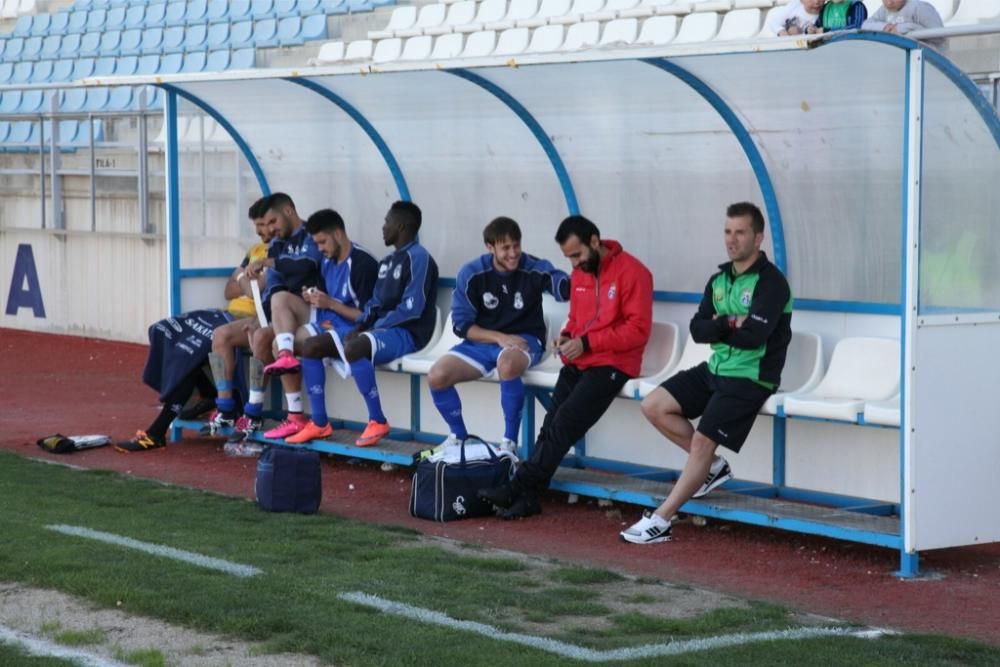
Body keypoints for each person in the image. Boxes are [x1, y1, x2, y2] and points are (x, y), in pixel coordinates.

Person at [620, 203, 792, 545]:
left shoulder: (771, 283)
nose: (732, 240)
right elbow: (698, 330)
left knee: (701, 440)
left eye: (740, 232)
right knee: (654, 405)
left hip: (751, 377)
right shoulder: (719, 279)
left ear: (758, 237)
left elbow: (754, 337)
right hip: (716, 369)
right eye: (727, 232)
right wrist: (729, 322)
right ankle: (712, 467)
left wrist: (719, 326)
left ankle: (662, 519)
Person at [478, 215, 653, 519]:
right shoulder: (581, 274)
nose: (573, 264)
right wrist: (569, 335)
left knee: (564, 423)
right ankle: (529, 498)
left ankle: (517, 486)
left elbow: (638, 331)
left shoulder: (634, 273)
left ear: (595, 242)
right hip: (581, 361)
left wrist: (587, 343)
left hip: (615, 364)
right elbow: (577, 319)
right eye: (568, 257)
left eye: (577, 255)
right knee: (551, 426)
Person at [116, 196, 274, 452]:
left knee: (193, 349)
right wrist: (248, 281)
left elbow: (259, 289)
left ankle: (160, 429)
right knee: (166, 330)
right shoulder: (255, 251)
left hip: (249, 319)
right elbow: (229, 289)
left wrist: (245, 282)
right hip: (226, 313)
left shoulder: (278, 255)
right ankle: (209, 394)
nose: (264, 233)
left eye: (267, 225)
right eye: (259, 228)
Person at [428, 216, 569, 452]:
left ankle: (508, 445)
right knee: (437, 375)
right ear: (490, 247)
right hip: (483, 342)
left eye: (516, 245)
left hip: (525, 339)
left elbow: (561, 286)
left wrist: (578, 279)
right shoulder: (472, 273)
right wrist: (499, 337)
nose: (513, 253)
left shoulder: (533, 267)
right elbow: (461, 326)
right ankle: (459, 437)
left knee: (507, 363)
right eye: (505, 248)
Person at [202, 193, 323, 446]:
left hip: (308, 312)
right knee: (223, 334)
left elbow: (306, 265)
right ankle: (228, 409)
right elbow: (272, 286)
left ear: (288, 211)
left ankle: (258, 412)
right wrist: (261, 316)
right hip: (278, 314)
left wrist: (269, 262)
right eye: (264, 225)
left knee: (270, 335)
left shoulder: (312, 233)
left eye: (271, 222)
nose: (269, 230)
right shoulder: (277, 244)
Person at [278, 209, 379, 445]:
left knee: (310, 346)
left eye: (322, 241)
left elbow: (368, 317)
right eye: (316, 243)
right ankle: (303, 417)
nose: (320, 248)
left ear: (338, 234)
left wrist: (330, 303)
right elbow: (326, 298)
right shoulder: (327, 261)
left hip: (355, 329)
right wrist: (311, 296)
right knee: (285, 343)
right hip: (328, 322)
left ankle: (321, 421)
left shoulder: (363, 263)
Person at [343, 200, 439, 448]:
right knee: (319, 346)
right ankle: (317, 420)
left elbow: (413, 307)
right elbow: (375, 302)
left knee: (355, 349)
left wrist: (375, 329)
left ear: (401, 226)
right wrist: (361, 326)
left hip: (410, 333)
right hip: (385, 330)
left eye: (387, 222)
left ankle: (377, 420)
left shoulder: (419, 258)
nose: (383, 227)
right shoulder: (387, 261)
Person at [862, 0, 944, 47]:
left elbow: (939, 36)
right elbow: (865, 25)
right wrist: (884, 27)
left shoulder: (919, 8)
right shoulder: (884, 10)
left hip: (930, 61)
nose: (889, 2)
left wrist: (901, 29)